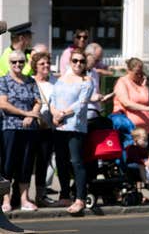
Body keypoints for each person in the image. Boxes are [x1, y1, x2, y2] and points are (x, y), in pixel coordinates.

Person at [49, 48, 94, 215]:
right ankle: (65, 194)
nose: (78, 64)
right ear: (70, 62)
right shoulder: (60, 79)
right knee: (61, 162)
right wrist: (54, 113)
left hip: (75, 126)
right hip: (59, 126)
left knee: (76, 161)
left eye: (81, 61)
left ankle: (80, 198)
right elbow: (52, 99)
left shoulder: (86, 81)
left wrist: (61, 114)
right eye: (75, 61)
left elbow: (81, 104)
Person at [0, 50, 41, 213]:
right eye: (14, 62)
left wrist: (32, 116)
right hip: (9, 127)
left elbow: (38, 101)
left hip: (29, 128)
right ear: (9, 63)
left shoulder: (30, 81)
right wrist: (26, 113)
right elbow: (3, 104)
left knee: (26, 163)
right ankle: (6, 198)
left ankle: (24, 198)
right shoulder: (4, 81)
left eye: (21, 62)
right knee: (8, 164)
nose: (18, 65)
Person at [31, 51, 59, 206]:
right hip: (32, 128)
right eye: (42, 63)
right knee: (27, 164)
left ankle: (40, 196)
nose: (46, 66)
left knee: (43, 163)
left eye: (48, 63)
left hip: (49, 128)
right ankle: (20, 196)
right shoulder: (30, 82)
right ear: (35, 66)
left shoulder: (55, 82)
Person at [113, 57, 149, 135]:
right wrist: (148, 108)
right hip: (130, 131)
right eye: (136, 73)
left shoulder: (142, 83)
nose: (139, 75)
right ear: (129, 71)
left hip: (146, 131)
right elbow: (127, 103)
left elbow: (148, 101)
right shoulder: (122, 82)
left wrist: (144, 85)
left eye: (141, 72)